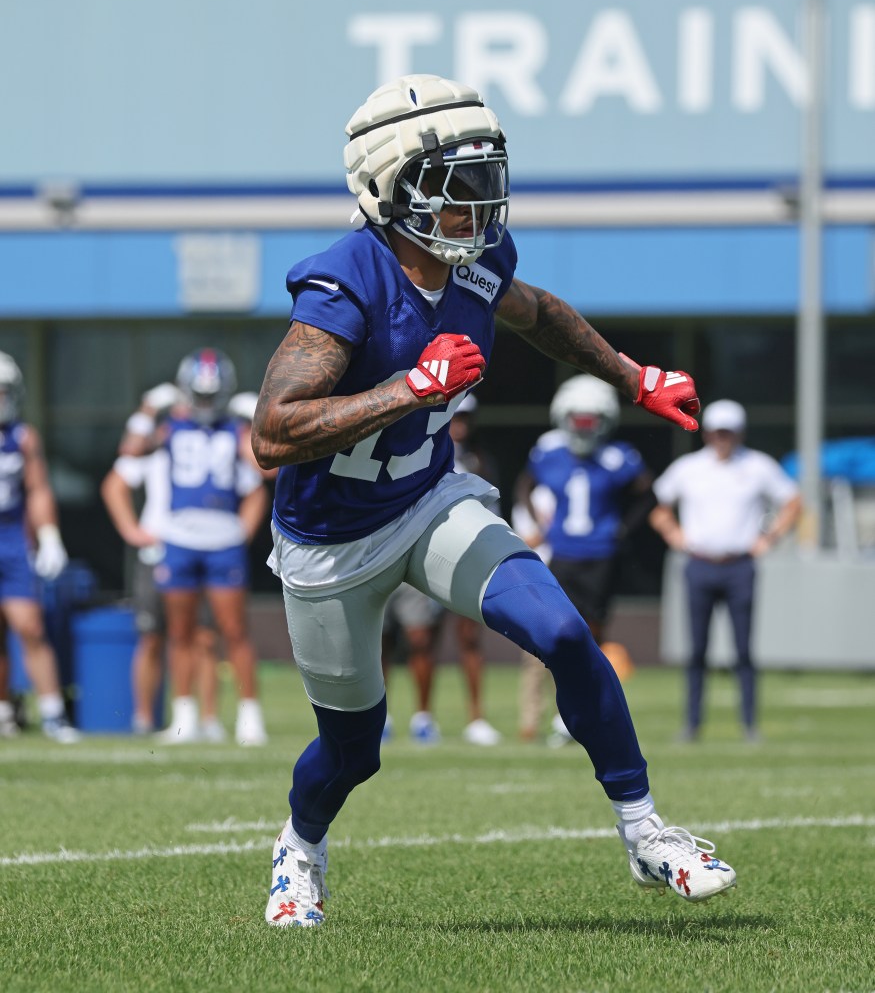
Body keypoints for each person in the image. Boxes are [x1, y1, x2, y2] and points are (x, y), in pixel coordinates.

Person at [253, 74, 737, 927]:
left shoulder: (475, 267)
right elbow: (273, 433)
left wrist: (632, 376)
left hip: (429, 499)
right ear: (388, 189)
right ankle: (299, 849)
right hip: (328, 542)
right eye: (455, 182)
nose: (478, 200)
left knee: (561, 633)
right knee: (353, 748)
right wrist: (408, 387)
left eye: (484, 176)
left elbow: (538, 312)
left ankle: (645, 831)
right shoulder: (343, 283)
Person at [121, 351, 270, 746]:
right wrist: (147, 408)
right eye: (200, 395)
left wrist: (258, 421)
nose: (205, 403)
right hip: (180, 538)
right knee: (181, 633)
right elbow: (130, 452)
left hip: (223, 539)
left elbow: (266, 469)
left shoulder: (234, 428)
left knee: (234, 631)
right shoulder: (169, 425)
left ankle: (249, 717)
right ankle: (184, 717)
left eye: (211, 395)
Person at [649, 398, 802, 743]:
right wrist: (675, 535)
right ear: (707, 434)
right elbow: (658, 507)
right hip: (700, 564)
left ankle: (749, 724)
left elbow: (793, 501)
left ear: (739, 433)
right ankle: (692, 724)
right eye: (718, 432)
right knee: (696, 651)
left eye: (729, 433)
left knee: (744, 650)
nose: (723, 439)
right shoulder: (689, 468)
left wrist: (770, 537)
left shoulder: (757, 466)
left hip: (739, 566)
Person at [515, 375, 651, 744]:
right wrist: (540, 523)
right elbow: (524, 483)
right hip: (562, 555)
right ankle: (555, 713)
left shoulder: (617, 456)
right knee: (555, 630)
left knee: (592, 634)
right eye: (579, 419)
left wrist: (622, 529)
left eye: (591, 420)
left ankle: (578, 714)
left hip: (601, 557)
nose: (584, 427)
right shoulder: (550, 452)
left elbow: (645, 493)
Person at [101, 382, 230, 738]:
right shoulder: (157, 445)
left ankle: (207, 720)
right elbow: (116, 479)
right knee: (153, 637)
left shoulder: (209, 440)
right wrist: (131, 530)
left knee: (203, 636)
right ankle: (144, 718)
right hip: (158, 551)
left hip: (197, 547)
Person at [381, 393, 502, 747]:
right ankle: (385, 716)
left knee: (460, 637)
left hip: (466, 555)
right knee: (394, 637)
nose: (460, 425)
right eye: (455, 418)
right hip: (412, 549)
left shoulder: (480, 460)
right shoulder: (416, 451)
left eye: (465, 419)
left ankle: (465, 717)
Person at [0, 350, 79, 742]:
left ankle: (52, 714)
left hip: (11, 540)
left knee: (29, 625)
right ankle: (5, 713)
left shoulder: (22, 436)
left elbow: (37, 489)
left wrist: (49, 536)